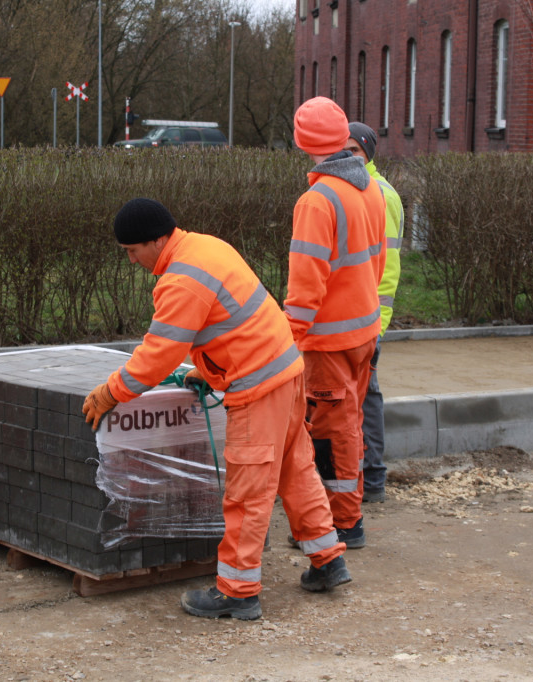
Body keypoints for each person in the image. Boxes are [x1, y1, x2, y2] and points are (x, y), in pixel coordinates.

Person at [83, 198, 350, 621]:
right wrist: (210, 371)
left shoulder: (182, 279)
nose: (132, 260)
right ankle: (328, 560)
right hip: (285, 373)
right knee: (294, 469)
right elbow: (233, 321)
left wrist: (111, 393)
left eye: (133, 251)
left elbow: (158, 355)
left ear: (157, 240)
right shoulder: (205, 247)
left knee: (248, 491)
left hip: (258, 387)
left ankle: (239, 592)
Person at [284, 97, 386, 549]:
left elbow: (306, 283)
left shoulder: (317, 200)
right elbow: (376, 263)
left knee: (330, 433)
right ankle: (346, 516)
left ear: (301, 142)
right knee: (350, 426)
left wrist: (289, 339)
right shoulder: (371, 189)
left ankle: (340, 524)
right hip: (364, 332)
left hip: (328, 342)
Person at [346, 122, 405, 504]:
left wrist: (377, 326)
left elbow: (388, 268)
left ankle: (373, 481)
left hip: (365, 323)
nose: (346, 156)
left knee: (367, 399)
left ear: (367, 153)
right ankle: (363, 480)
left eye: (352, 150)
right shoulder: (351, 190)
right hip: (353, 321)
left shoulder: (379, 194)